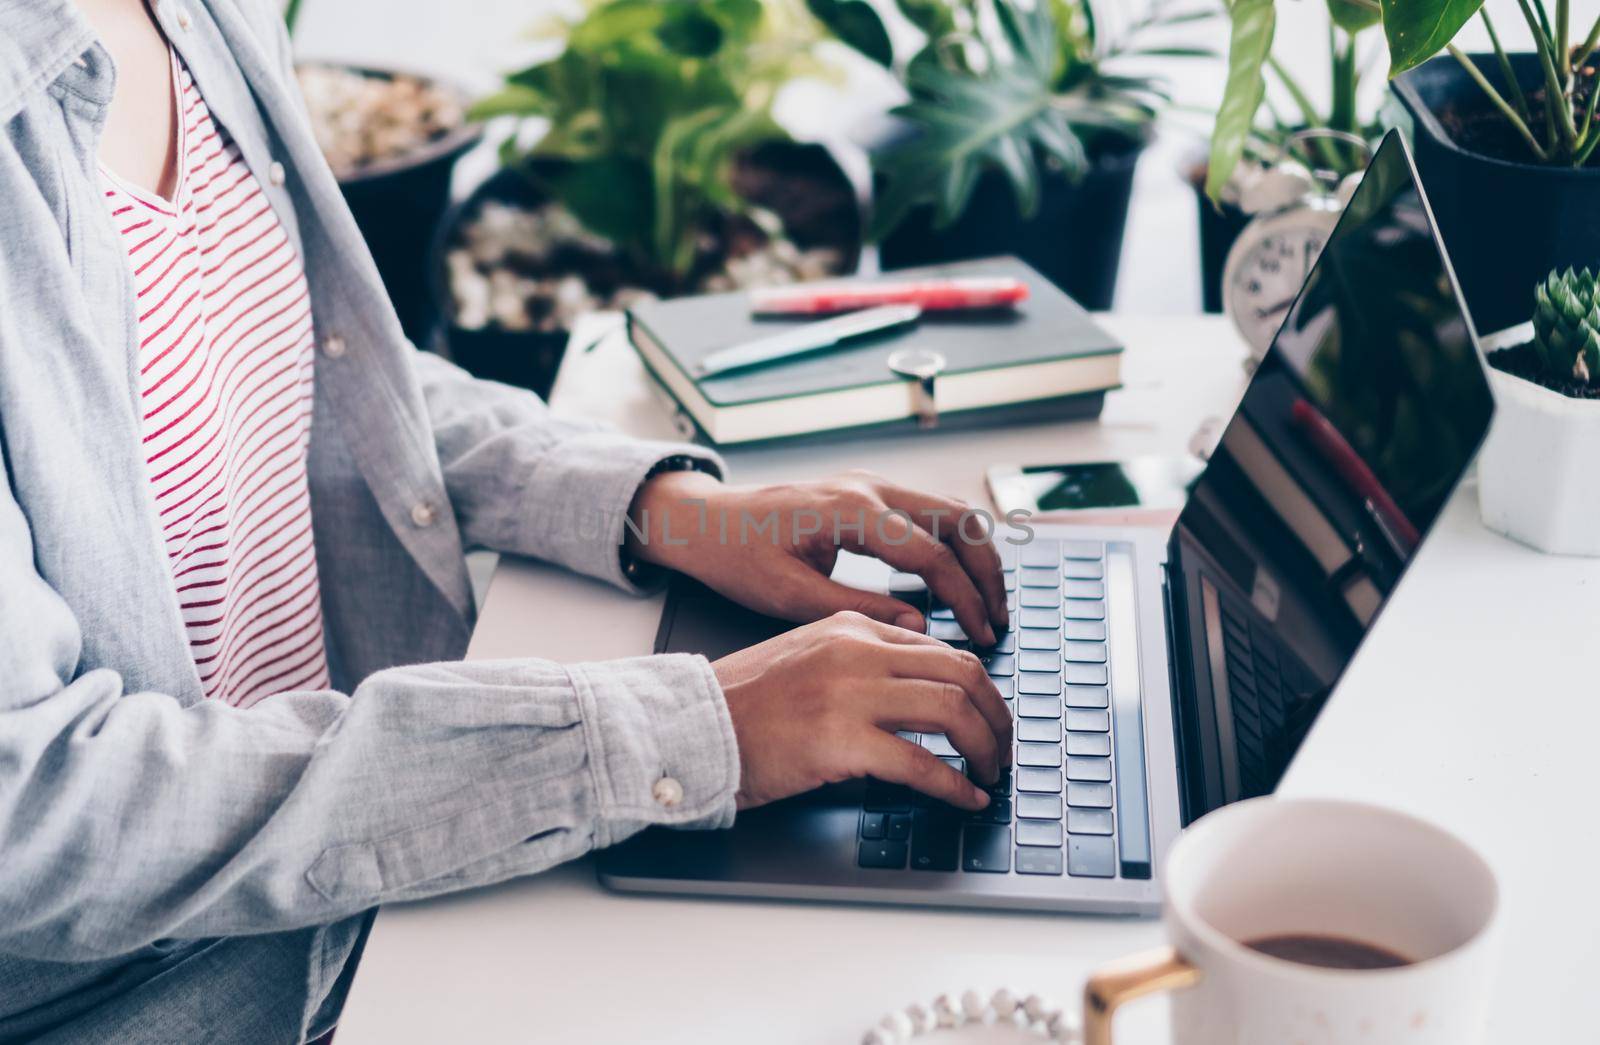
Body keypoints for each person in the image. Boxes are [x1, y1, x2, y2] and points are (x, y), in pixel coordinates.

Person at [0, 2, 1013, 1041]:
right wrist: (684, 730)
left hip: (380, 848)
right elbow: (34, 815)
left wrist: (674, 511)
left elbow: (304, 367)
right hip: (179, 986)